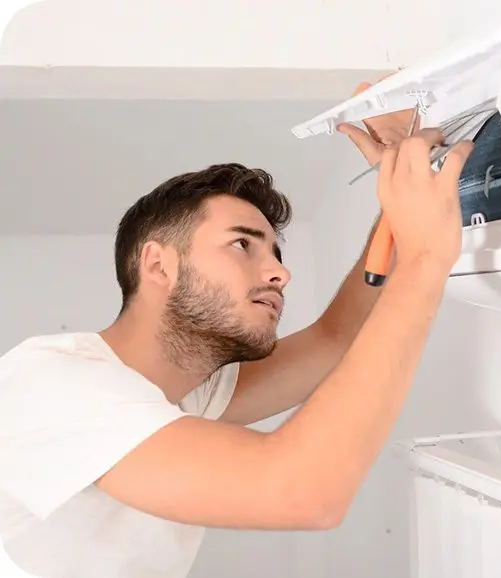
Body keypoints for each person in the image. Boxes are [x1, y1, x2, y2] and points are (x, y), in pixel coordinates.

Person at [0, 78, 473, 578]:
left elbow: (335, 339)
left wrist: (403, 196)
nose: (279, 272)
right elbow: (302, 493)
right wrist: (425, 260)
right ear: (159, 266)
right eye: (242, 244)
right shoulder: (50, 383)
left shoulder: (183, 394)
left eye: (275, 253)